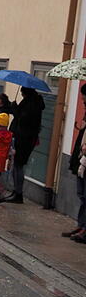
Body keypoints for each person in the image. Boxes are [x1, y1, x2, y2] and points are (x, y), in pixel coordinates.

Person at [4, 86, 45, 204]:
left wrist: (15, 109)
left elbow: (23, 119)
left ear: (26, 93)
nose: (21, 94)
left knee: (18, 165)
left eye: (22, 92)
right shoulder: (32, 102)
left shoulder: (32, 104)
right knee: (17, 165)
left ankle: (18, 193)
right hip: (24, 138)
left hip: (24, 139)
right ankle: (16, 191)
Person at [65, 84, 86, 242]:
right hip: (81, 160)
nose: (81, 100)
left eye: (83, 97)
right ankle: (81, 225)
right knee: (81, 195)